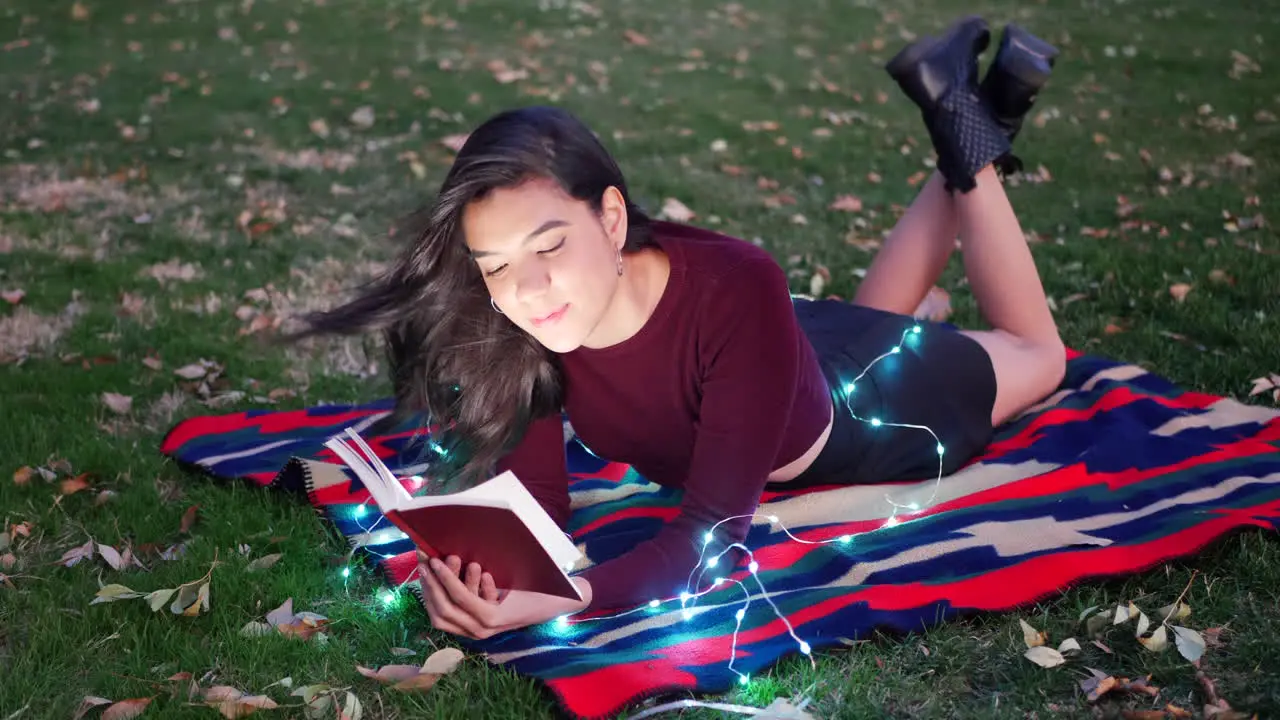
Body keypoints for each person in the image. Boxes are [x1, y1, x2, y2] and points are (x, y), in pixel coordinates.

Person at [293, 15, 1067, 640]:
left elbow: (711, 541)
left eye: (549, 246)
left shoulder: (736, 286)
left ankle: (972, 137)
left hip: (873, 413)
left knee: (1040, 355)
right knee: (869, 316)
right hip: (780, 359)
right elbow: (536, 502)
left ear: (612, 216)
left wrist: (566, 600)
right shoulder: (528, 318)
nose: (525, 288)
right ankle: (970, 113)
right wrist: (492, 568)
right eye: (495, 263)